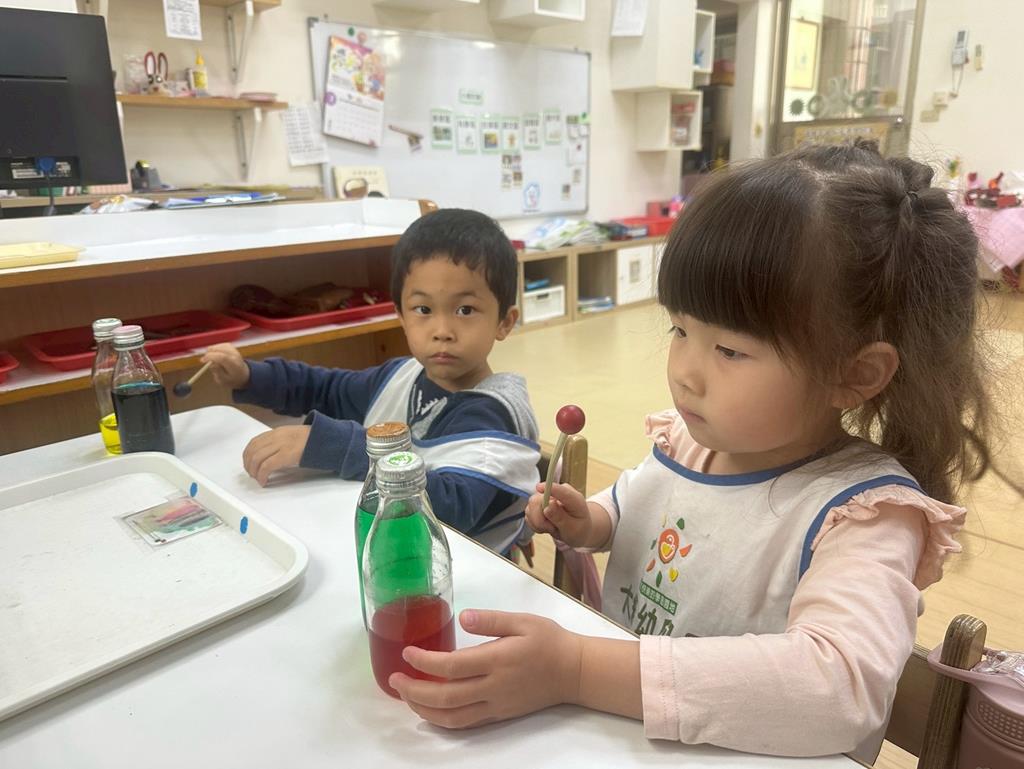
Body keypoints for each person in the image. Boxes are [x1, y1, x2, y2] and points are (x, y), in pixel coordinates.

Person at [387, 141, 994, 760]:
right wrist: (590, 520)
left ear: (855, 373)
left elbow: (839, 689)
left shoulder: (865, 516)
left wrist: (577, 669)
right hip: (623, 739)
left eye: (729, 350)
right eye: (681, 330)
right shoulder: (690, 442)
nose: (684, 372)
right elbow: (637, 508)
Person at [202, 208, 539, 555]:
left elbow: (452, 508)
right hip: (393, 552)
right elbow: (326, 388)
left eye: (464, 310)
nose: (442, 331)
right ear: (401, 317)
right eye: (423, 310)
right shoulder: (398, 377)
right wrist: (250, 376)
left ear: (504, 322)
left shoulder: (493, 413)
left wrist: (334, 445)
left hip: (460, 571)